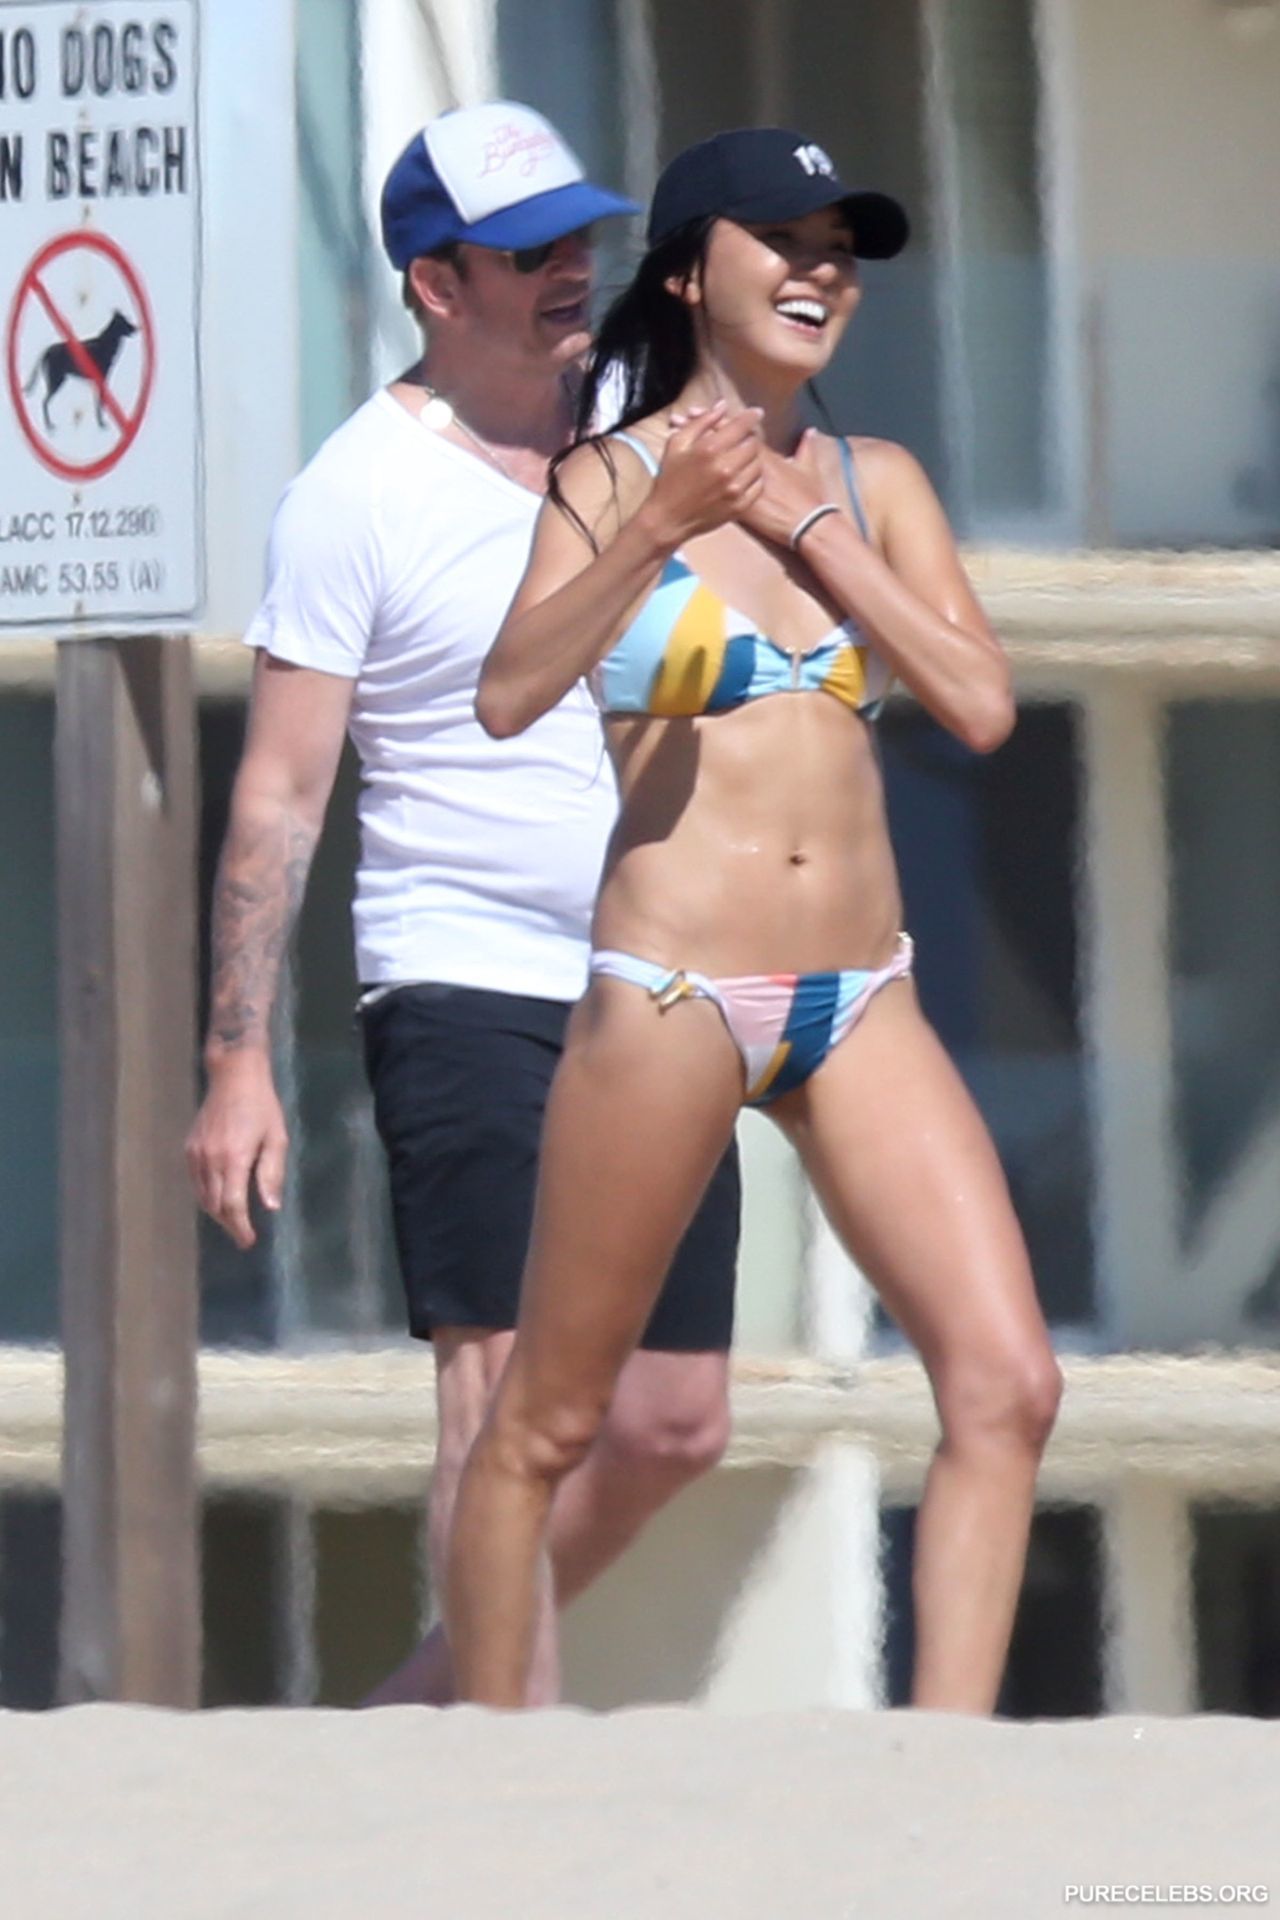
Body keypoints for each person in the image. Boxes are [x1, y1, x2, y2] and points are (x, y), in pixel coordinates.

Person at [451, 127, 1064, 1710]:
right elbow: (511, 693)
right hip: (673, 992)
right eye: (783, 241)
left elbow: (980, 704)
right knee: (547, 1424)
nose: (819, 272)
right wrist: (663, 524)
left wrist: (809, 526)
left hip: (860, 993)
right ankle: (483, 1770)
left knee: (1009, 1385)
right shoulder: (604, 479)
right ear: (686, 273)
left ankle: (941, 1778)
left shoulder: (877, 483)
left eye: (839, 252)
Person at [185, 101, 741, 1708]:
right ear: (436, 285)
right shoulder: (354, 494)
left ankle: (432, 1699)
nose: (573, 269)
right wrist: (238, 1060)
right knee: (495, 1397)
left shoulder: (639, 426)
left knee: (674, 1420)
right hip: (461, 974)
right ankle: (508, 1749)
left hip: (657, 974)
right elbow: (280, 794)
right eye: (527, 251)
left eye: (579, 236)